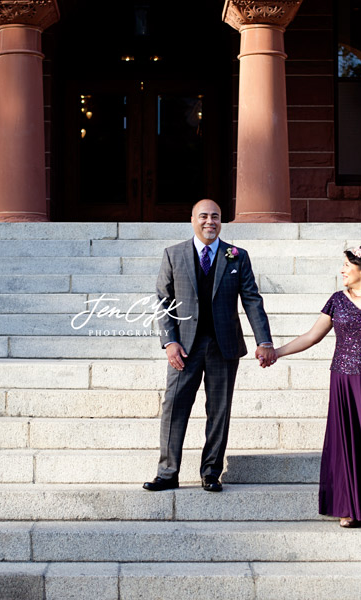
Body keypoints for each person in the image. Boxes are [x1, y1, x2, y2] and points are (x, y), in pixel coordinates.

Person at [275, 244, 361, 527]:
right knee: (346, 443)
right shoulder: (337, 300)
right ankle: (348, 507)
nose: (341, 271)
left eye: (346, 267)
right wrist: (277, 352)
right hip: (344, 381)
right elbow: (312, 336)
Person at [144, 199, 276, 493]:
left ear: (221, 221)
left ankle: (211, 472)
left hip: (223, 346)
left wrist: (264, 340)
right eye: (203, 216)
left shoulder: (236, 256)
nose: (209, 221)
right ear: (192, 219)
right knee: (174, 407)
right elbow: (163, 303)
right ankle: (167, 473)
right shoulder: (173, 254)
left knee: (219, 410)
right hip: (184, 349)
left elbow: (252, 299)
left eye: (215, 216)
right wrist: (170, 342)